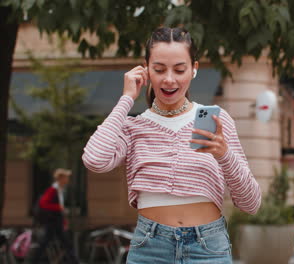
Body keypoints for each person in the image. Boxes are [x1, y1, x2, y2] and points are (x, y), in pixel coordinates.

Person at [82, 27, 261, 263]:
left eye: (179, 69)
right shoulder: (134, 127)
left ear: (194, 69)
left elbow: (251, 203)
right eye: (159, 69)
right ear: (145, 69)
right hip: (150, 249)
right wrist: (126, 99)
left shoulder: (215, 121)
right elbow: (95, 159)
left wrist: (224, 154)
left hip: (208, 249)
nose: (169, 79)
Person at [30, 168, 79, 264]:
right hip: (53, 223)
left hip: (56, 222)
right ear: (61, 178)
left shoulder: (59, 190)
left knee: (52, 242)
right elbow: (43, 203)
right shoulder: (53, 189)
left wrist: (63, 221)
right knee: (53, 242)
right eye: (66, 177)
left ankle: (34, 260)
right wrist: (58, 207)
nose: (68, 179)